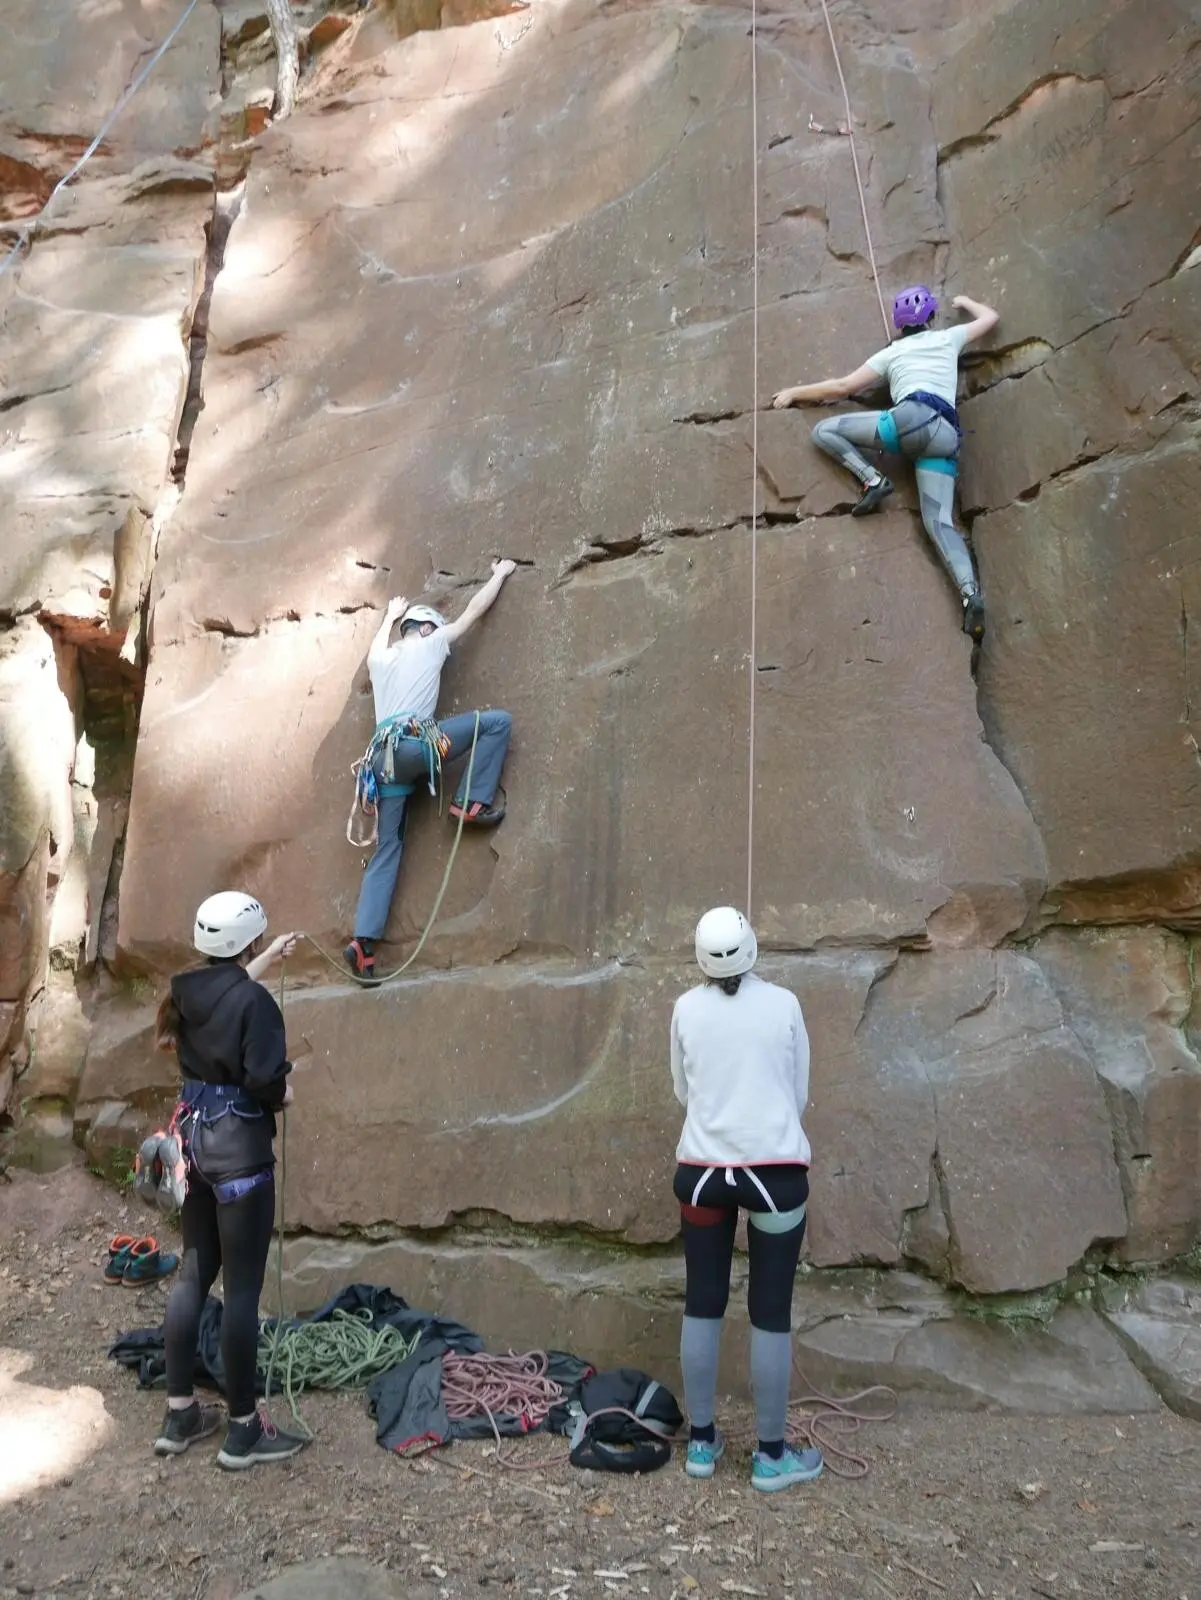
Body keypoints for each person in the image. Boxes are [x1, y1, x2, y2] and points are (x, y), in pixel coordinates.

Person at [152, 890, 308, 1470]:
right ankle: (244, 1429)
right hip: (240, 1155)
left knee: (195, 1271)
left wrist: (267, 963)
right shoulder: (257, 1006)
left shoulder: (182, 992)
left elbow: (228, 994)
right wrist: (284, 1094)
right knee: (242, 1292)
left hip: (194, 1149)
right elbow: (265, 1078)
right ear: (249, 941)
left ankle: (180, 1413)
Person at [669, 906, 822, 1494]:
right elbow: (799, 1090)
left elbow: (683, 1090)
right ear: (753, 947)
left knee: (703, 1300)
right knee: (770, 1308)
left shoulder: (684, 1008)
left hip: (703, 1170)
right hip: (775, 1171)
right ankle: (771, 1456)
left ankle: (702, 1445)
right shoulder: (784, 1004)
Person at [771, 287, 999, 642]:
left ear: (899, 324)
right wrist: (967, 302)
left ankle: (872, 480)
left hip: (910, 421)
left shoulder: (893, 352)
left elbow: (843, 387)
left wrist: (795, 392)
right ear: (931, 318)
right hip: (945, 436)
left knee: (825, 430)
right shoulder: (949, 338)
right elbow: (990, 319)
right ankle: (970, 596)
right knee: (939, 523)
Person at [343, 558, 518, 983]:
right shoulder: (432, 640)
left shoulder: (382, 660)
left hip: (384, 767)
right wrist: (499, 574)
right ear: (427, 628)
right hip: (421, 745)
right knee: (495, 723)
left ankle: (363, 945)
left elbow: (375, 648)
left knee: (388, 849)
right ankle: (469, 802)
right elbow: (473, 613)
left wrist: (388, 616)